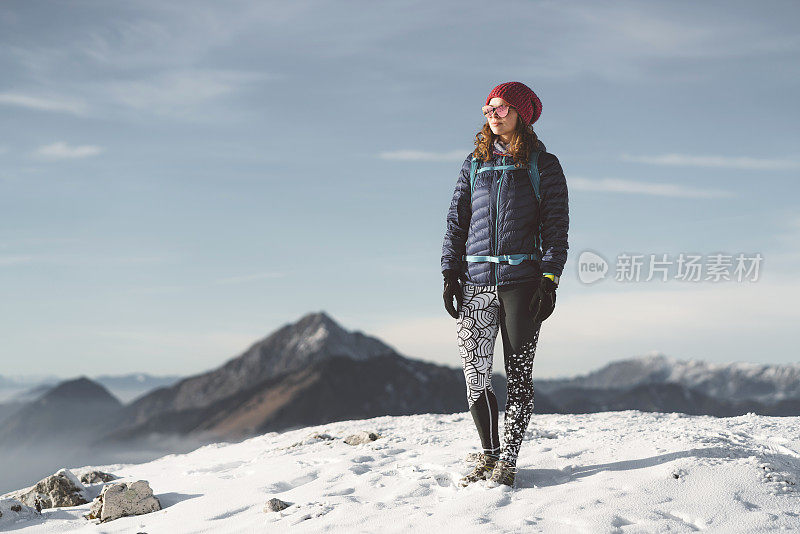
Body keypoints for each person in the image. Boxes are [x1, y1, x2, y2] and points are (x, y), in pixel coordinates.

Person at [440, 81, 569, 488]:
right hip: (475, 282)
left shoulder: (543, 165)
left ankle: (507, 462)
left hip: (522, 284)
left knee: (518, 376)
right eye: (488, 107)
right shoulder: (473, 164)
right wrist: (449, 272)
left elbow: (556, 228)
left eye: (501, 107)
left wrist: (549, 279)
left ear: (521, 114)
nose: (492, 114)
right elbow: (456, 222)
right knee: (475, 376)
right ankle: (488, 454)